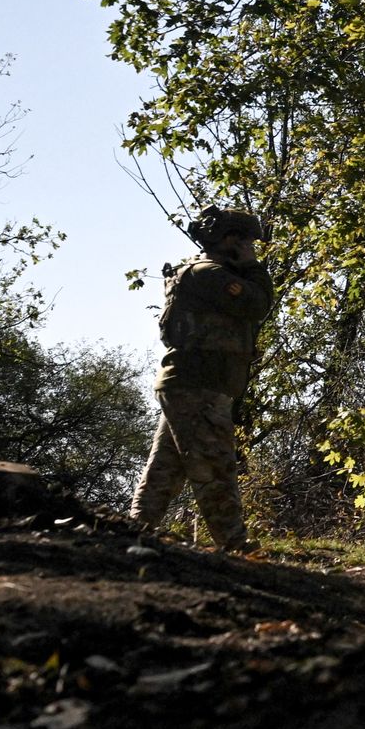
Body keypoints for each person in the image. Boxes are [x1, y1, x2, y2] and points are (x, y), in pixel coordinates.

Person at [129, 206, 275, 552]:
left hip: (193, 383)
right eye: (246, 241)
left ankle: (134, 529)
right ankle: (235, 545)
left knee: (166, 468)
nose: (251, 247)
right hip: (198, 384)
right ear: (230, 240)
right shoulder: (209, 274)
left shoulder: (208, 272)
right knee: (215, 466)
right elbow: (258, 305)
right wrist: (252, 266)